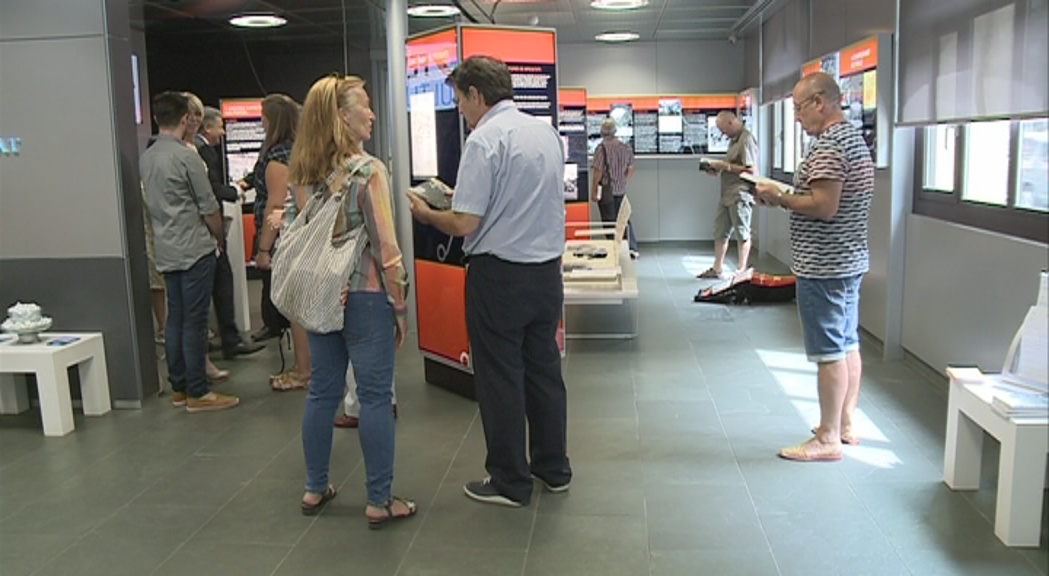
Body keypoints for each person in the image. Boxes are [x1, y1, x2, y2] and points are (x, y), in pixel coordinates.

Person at [408, 55, 572, 507]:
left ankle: (509, 480)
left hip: (499, 276)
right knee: (544, 371)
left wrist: (426, 213)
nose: (461, 110)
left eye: (460, 100)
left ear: (475, 94)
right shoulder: (546, 133)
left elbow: (463, 222)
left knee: (500, 376)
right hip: (545, 273)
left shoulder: (484, 141)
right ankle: (553, 468)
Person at [289, 74, 414, 525]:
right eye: (364, 106)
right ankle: (379, 500)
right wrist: (400, 307)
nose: (372, 114)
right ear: (343, 116)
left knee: (322, 391)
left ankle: (314, 486)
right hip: (365, 297)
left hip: (321, 297)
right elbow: (386, 249)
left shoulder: (304, 174)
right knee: (376, 396)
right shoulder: (369, 171)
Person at [753, 72, 874, 461]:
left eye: (799, 108)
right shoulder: (853, 138)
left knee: (828, 351)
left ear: (820, 102)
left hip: (825, 266)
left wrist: (781, 197)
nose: (798, 117)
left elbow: (824, 205)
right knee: (847, 342)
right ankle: (844, 422)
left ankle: (827, 438)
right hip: (848, 259)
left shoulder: (829, 146)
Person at [140, 91, 239, 412]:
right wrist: (219, 239)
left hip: (166, 247)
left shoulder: (148, 156)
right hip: (195, 248)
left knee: (175, 318)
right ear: (185, 119)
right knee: (195, 321)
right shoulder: (187, 156)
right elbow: (208, 205)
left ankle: (180, 385)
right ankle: (198, 391)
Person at [251, 94, 311, 392]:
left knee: (296, 308)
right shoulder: (303, 151)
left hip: (287, 239)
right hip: (303, 236)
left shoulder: (278, 158)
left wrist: (263, 249)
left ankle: (303, 370)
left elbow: (275, 204)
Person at [196, 106, 265, 360]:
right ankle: (230, 340)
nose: (223, 132)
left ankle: (223, 339)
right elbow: (210, 190)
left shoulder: (198, 151)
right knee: (222, 283)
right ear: (207, 127)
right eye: (219, 126)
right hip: (208, 236)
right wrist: (234, 192)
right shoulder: (203, 152)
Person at [697, 110, 759, 279]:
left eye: (724, 130)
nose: (723, 134)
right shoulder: (733, 140)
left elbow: (751, 169)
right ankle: (717, 268)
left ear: (731, 123)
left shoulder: (746, 139)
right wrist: (717, 169)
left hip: (740, 194)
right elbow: (733, 164)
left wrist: (725, 166)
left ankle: (741, 270)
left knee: (742, 233)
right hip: (726, 194)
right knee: (720, 231)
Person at [590, 117, 638, 258]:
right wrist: (622, 181)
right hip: (621, 190)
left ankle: (614, 250)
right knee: (624, 220)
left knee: (609, 222)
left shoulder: (601, 149)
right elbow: (630, 168)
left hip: (606, 192)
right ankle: (631, 248)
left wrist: (594, 191)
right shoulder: (626, 147)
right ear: (615, 131)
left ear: (602, 132)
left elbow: (598, 172)